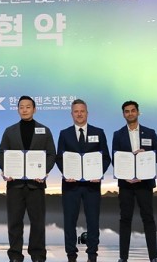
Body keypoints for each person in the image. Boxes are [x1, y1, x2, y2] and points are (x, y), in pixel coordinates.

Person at [0, 95, 56, 262]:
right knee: (14, 222)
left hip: (36, 184)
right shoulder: (9, 131)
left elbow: (51, 154)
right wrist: (6, 170)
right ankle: (15, 255)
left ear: (34, 109)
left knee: (38, 222)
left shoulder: (44, 130)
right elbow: (2, 153)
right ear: (18, 110)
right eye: (21, 107)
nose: (24, 110)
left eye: (28, 107)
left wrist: (44, 171)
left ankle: (37, 254)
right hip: (14, 185)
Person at [56, 99, 111, 262]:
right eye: (76, 111)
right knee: (69, 221)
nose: (79, 114)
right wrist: (66, 172)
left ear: (87, 113)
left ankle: (92, 253)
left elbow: (106, 157)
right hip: (70, 185)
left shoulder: (98, 132)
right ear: (71, 114)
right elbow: (59, 158)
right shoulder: (64, 133)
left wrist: (99, 173)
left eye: (82, 111)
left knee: (93, 220)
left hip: (92, 185)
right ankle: (71, 254)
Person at [112, 100, 157, 262]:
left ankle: (153, 257)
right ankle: (123, 258)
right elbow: (115, 159)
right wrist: (124, 176)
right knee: (125, 219)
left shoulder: (150, 133)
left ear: (138, 112)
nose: (130, 113)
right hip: (126, 184)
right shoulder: (118, 134)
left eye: (133, 110)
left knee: (148, 219)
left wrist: (147, 154)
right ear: (123, 114)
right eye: (127, 111)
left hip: (145, 183)